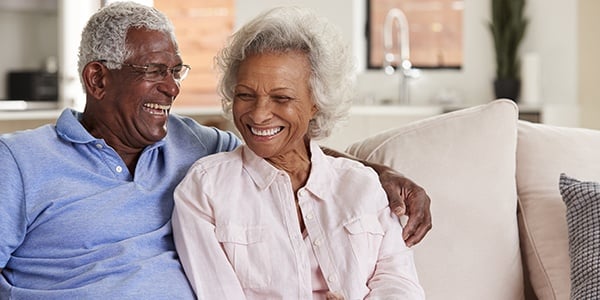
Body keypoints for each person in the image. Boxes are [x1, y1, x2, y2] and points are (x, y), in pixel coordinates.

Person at [0, 2, 430, 299]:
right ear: (97, 79)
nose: (171, 88)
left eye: (175, 71)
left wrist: (378, 173)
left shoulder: (193, 143)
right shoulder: (19, 162)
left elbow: (284, 149)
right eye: (154, 72)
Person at [172, 6, 426, 299]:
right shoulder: (205, 189)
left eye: (281, 98)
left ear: (316, 102)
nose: (259, 114)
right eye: (245, 95)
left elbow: (399, 283)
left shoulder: (362, 185)